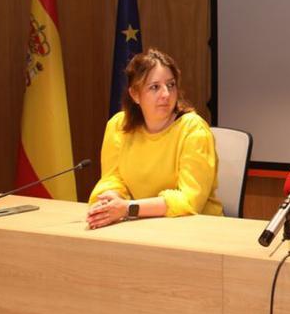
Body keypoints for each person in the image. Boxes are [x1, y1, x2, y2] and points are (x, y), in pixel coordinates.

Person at [86, 48, 221, 229]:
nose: (166, 94)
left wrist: (128, 208)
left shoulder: (193, 129)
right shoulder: (118, 126)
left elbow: (189, 200)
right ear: (135, 94)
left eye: (171, 85)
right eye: (155, 87)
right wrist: (110, 201)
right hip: (144, 225)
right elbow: (113, 178)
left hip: (197, 228)